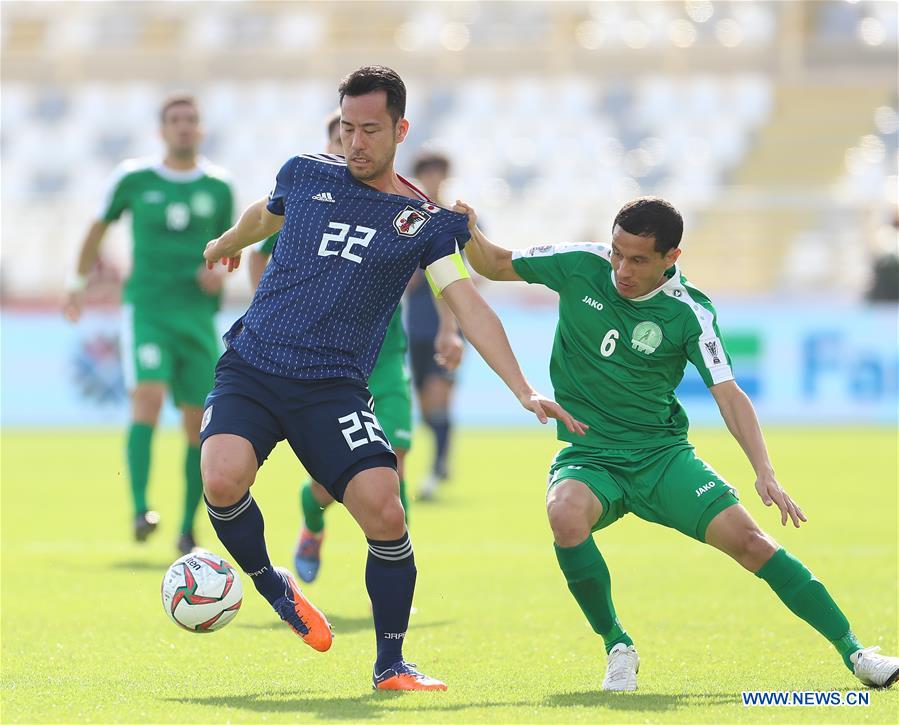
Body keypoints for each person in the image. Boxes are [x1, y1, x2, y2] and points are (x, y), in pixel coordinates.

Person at [200, 66, 585, 691]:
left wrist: (522, 387)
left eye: (370, 130)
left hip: (332, 387)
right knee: (221, 478)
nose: (356, 142)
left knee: (386, 512)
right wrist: (224, 242)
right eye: (348, 128)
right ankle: (273, 583)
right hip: (255, 366)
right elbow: (262, 217)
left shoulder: (422, 222)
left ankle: (391, 664)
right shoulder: (305, 173)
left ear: (400, 130)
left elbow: (469, 304)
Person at [456, 196, 899, 690]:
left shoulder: (690, 313)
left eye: (638, 259)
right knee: (564, 514)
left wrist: (764, 471)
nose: (621, 268)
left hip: (662, 459)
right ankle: (617, 644)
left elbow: (729, 394)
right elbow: (492, 263)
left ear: (672, 258)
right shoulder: (580, 263)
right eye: (616, 252)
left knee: (752, 544)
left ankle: (856, 652)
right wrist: (470, 228)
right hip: (591, 454)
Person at [248, 112, 463, 583]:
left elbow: (445, 272)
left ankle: (393, 575)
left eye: (362, 135)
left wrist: (450, 328)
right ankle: (313, 514)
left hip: (384, 359)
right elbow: (257, 251)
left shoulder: (398, 208)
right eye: (342, 138)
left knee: (396, 459)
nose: (350, 148)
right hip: (323, 367)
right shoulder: (307, 204)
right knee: (332, 483)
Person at [64, 92, 234, 555]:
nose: (183, 127)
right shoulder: (134, 179)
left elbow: (229, 248)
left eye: (191, 120)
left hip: (197, 317)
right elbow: (99, 227)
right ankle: (140, 509)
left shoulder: (219, 187)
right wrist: (77, 282)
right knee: (148, 396)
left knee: (198, 422)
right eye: (175, 120)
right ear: (162, 130)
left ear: (200, 129)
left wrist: (215, 270)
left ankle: (186, 527)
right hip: (149, 310)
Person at [404, 152, 461, 500]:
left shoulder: (457, 219)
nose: (433, 178)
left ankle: (438, 468)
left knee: (439, 399)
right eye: (427, 173)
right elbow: (405, 282)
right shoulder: (408, 220)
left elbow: (477, 270)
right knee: (426, 407)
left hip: (448, 326)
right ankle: (441, 460)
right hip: (416, 328)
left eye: (439, 172)